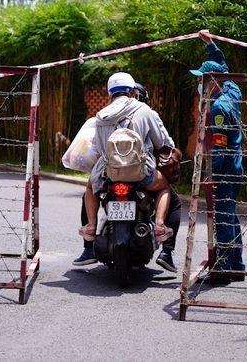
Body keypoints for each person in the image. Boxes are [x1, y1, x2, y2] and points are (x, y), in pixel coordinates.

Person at [73, 83, 181, 273]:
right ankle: (165, 245)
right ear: (133, 93)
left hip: (109, 173)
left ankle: (88, 246)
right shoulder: (146, 111)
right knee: (171, 195)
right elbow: (164, 143)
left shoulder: (102, 114)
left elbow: (97, 147)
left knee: (89, 190)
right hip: (141, 173)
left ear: (109, 93)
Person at [190, 30, 245, 286]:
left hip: (224, 169)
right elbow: (225, 67)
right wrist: (210, 44)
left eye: (202, 79)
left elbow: (219, 149)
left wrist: (209, 177)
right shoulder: (232, 89)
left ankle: (222, 267)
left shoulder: (219, 107)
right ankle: (237, 266)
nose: (199, 84)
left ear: (213, 81)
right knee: (231, 215)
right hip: (236, 165)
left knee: (223, 216)